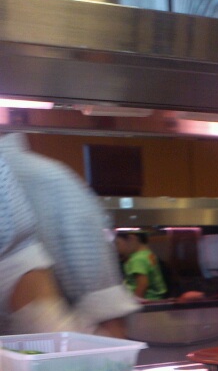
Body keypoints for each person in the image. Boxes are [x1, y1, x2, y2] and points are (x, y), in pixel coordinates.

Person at [0, 133, 139, 337]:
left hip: (51, 346)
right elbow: (110, 321)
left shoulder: (39, 180)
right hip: (58, 346)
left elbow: (21, 276)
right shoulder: (53, 178)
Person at [115, 231, 167, 300]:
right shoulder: (147, 254)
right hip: (156, 298)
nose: (116, 248)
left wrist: (134, 302)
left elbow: (142, 285)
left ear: (131, 239)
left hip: (147, 299)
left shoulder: (138, 259)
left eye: (118, 243)